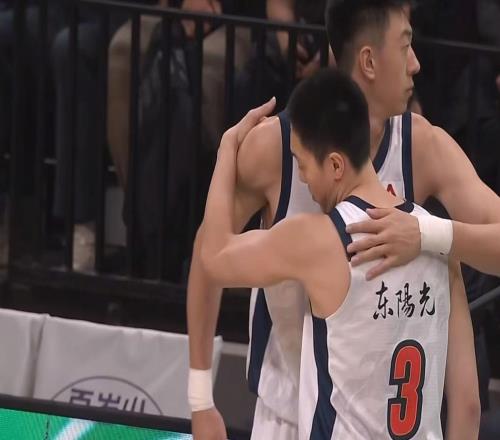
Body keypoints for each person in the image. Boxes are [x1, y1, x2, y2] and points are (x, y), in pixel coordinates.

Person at [187, 1, 500, 438]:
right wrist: (200, 399)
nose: (416, 64)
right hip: (288, 414)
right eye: (405, 45)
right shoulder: (274, 146)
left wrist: (428, 233)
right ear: (369, 61)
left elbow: (214, 254)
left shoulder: (423, 147)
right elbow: (208, 258)